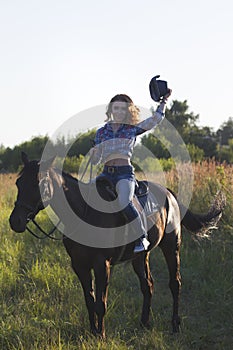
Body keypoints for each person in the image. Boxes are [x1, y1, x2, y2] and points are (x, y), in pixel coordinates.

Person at [90, 90, 172, 253]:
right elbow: (96, 161)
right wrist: (93, 154)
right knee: (85, 194)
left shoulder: (132, 129)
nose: (119, 112)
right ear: (111, 110)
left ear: (128, 111)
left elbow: (155, 120)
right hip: (106, 173)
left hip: (124, 174)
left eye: (123, 109)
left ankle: (141, 238)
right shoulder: (101, 132)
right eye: (116, 108)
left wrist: (163, 102)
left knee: (124, 202)